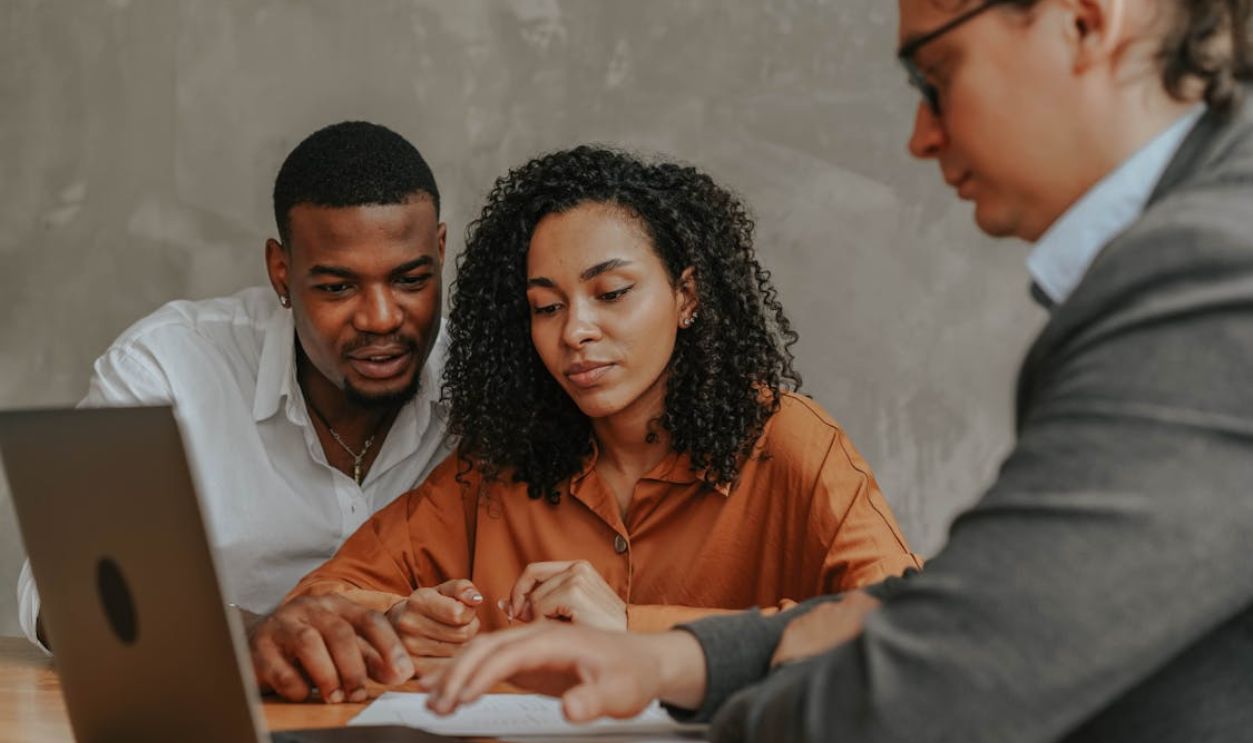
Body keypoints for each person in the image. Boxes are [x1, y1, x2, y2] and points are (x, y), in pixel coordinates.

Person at [422, 1, 1253, 740]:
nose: (920, 137)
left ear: (1082, 20)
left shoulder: (1206, 271)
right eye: (546, 305)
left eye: (935, 75)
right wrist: (674, 661)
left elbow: (947, 678)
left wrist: (720, 713)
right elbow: (964, 605)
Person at [246, 146, 922, 704]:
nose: (575, 331)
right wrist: (387, 624)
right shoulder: (500, 463)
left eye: (611, 293)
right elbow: (319, 602)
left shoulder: (790, 446)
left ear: (685, 294)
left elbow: (907, 636)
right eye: (545, 307)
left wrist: (637, 632)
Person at [16, 121, 454, 660]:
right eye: (338, 287)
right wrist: (249, 635)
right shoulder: (168, 370)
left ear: (439, 251)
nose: (382, 318)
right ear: (280, 272)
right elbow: (65, 588)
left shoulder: (491, 381)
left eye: (410, 279)